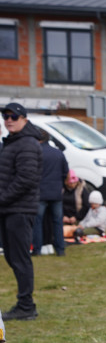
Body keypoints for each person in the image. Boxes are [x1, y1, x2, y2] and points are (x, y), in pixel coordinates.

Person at [0, 103, 42, 321]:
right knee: (12, 256)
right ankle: (24, 303)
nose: (8, 119)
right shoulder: (12, 142)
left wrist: (2, 198)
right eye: (5, 116)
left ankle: (26, 306)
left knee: (20, 258)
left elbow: (26, 180)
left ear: (24, 119)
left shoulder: (26, 144)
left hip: (19, 210)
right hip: (10, 209)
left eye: (13, 116)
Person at [33, 129, 68, 257]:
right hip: (56, 193)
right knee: (58, 222)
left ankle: (37, 249)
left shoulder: (36, 153)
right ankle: (60, 249)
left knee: (37, 221)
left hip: (40, 193)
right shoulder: (58, 153)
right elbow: (65, 172)